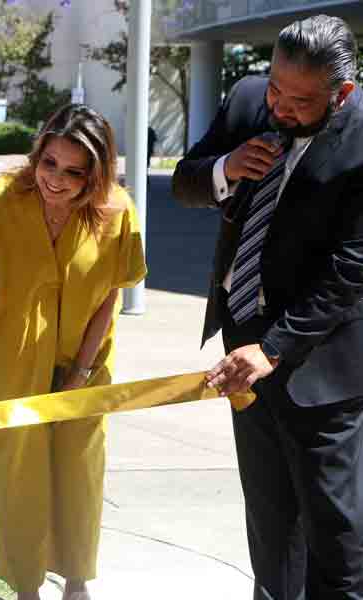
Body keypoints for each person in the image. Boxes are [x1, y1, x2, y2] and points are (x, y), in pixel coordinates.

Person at [172, 15, 363, 598]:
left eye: (300, 100)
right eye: (276, 86)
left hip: (321, 368)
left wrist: (274, 347)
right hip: (243, 351)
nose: (279, 106)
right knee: (270, 525)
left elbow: (351, 268)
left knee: (335, 536)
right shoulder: (252, 99)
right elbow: (185, 181)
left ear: (343, 93)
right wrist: (225, 170)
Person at [0, 104, 147, 600]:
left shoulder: (119, 212)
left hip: (86, 363)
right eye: (49, 164)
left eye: (74, 172)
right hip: (10, 361)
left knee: (80, 473)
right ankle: (26, 588)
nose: (56, 181)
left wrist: (82, 369)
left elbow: (111, 295)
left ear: (96, 174)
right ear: (37, 155)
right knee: (17, 476)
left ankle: (78, 583)